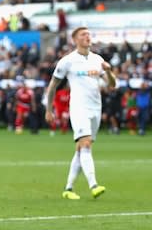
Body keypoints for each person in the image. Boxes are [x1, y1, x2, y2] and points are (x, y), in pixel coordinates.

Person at [45, 26, 116, 200]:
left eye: (88, 34)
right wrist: (49, 109)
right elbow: (53, 85)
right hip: (78, 108)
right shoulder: (67, 61)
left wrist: (108, 70)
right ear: (75, 39)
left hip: (95, 108)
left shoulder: (97, 60)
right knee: (85, 144)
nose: (87, 37)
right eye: (83, 35)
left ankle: (68, 188)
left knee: (81, 148)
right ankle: (94, 185)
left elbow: (112, 85)